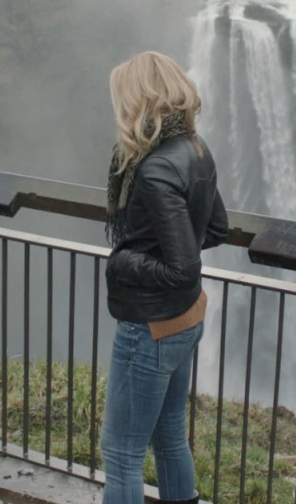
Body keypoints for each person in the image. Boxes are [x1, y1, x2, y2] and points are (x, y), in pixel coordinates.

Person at [101, 51, 229, 504]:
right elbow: (217, 229)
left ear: (139, 100)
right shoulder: (195, 148)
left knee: (121, 453)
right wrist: (171, 247)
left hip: (151, 328)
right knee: (169, 433)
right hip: (186, 317)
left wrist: (124, 262)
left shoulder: (154, 168)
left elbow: (181, 268)